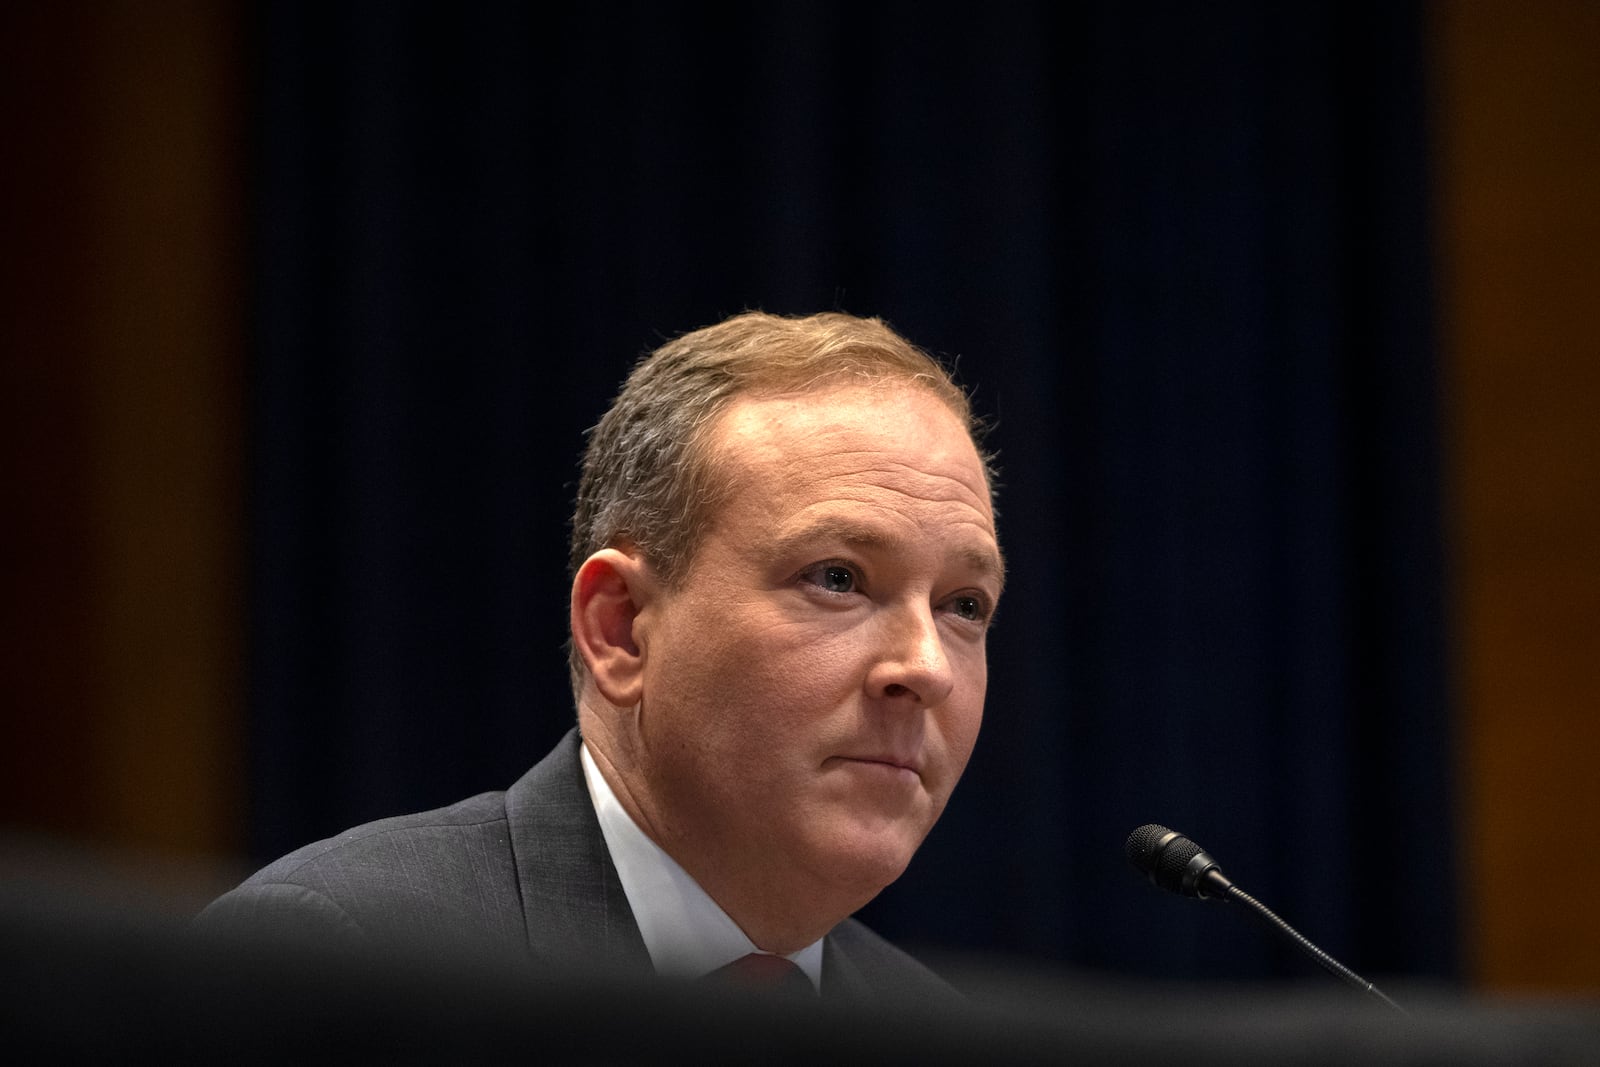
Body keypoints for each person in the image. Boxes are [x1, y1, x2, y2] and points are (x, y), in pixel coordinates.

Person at [197, 310, 1004, 1007]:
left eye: (963, 605)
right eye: (838, 578)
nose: (926, 666)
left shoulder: (938, 1036)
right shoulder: (344, 963)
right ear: (620, 630)